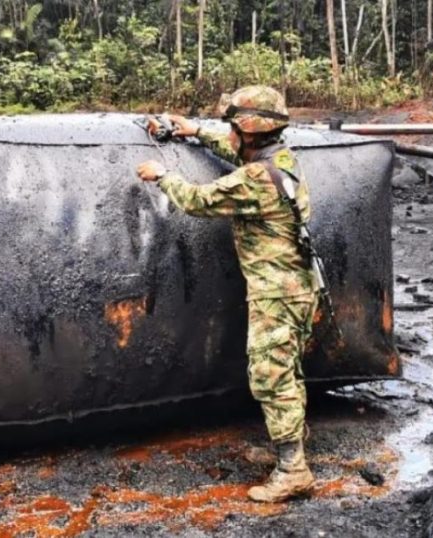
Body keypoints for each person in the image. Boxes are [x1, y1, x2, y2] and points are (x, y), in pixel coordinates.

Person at [135, 86, 318, 503]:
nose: (229, 133)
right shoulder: (280, 159)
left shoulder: (256, 179)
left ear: (248, 131)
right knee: (286, 370)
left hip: (276, 291)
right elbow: (236, 151)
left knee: (270, 377)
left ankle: (294, 468)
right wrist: (195, 130)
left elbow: (199, 201)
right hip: (298, 285)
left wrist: (162, 175)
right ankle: (288, 448)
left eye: (232, 126)